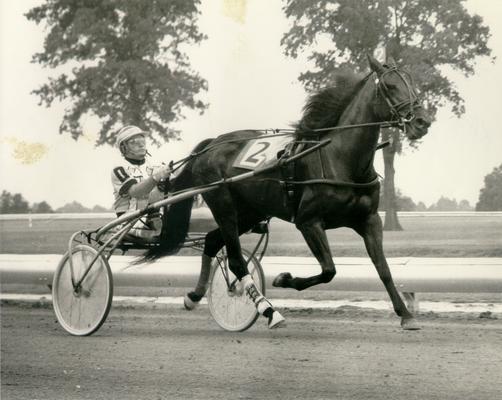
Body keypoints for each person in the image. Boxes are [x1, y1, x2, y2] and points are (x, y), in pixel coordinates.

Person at [111, 125, 172, 240]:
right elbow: (135, 192)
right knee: (162, 233)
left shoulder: (157, 164)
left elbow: (175, 187)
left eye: (142, 140)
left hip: (155, 216)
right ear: (123, 147)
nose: (141, 144)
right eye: (134, 142)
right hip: (128, 219)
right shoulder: (119, 168)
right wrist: (156, 177)